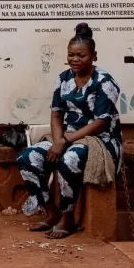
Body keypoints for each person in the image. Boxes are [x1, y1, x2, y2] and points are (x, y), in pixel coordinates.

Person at [16, 23, 124, 240]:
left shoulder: (104, 82)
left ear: (93, 56)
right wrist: (57, 141)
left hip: (99, 140)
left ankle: (68, 217)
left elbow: (101, 123)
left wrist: (64, 142)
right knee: (27, 158)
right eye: (71, 55)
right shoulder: (64, 78)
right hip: (68, 137)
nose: (75, 59)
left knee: (70, 160)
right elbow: (56, 113)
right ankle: (51, 212)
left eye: (81, 55)